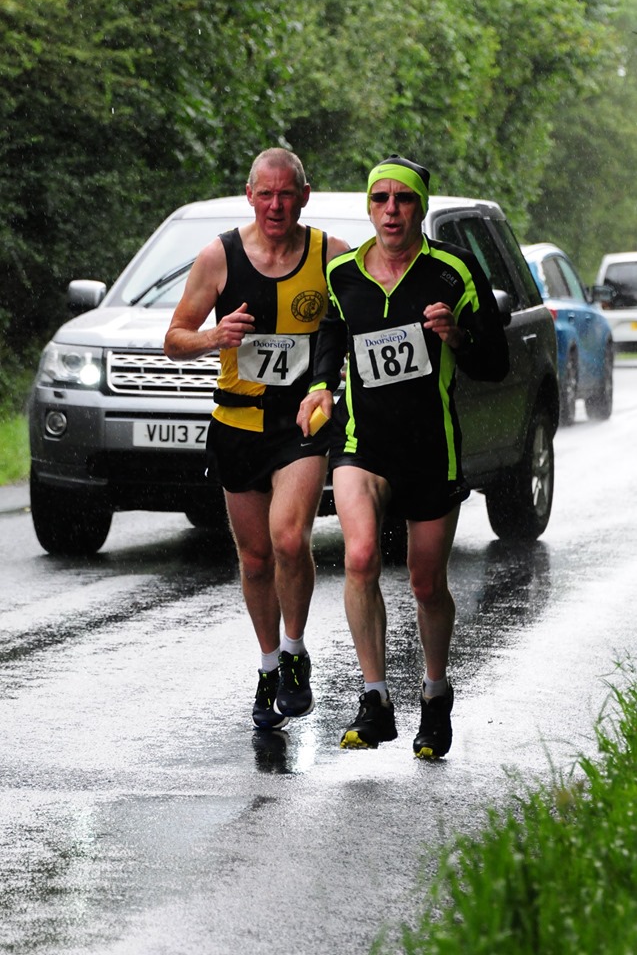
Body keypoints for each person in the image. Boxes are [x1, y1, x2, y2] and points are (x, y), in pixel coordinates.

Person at [297, 155, 509, 757]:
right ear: (369, 207)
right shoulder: (342, 274)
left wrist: (457, 336)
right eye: (380, 198)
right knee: (360, 557)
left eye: (404, 199)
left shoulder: (453, 272)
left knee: (425, 581)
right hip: (362, 444)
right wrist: (320, 386)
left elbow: (495, 363)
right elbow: (330, 336)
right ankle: (375, 700)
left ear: (421, 207)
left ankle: (435, 696)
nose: (391, 209)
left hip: (430, 448)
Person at [164, 148, 349, 732]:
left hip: (301, 425)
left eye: (286, 194)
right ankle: (269, 665)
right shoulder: (218, 256)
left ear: (304, 196)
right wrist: (213, 336)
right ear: (249, 195)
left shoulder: (330, 255)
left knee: (290, 539)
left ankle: (294, 652)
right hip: (237, 425)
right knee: (254, 558)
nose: (275, 205)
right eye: (265, 194)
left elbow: (370, 314)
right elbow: (174, 338)